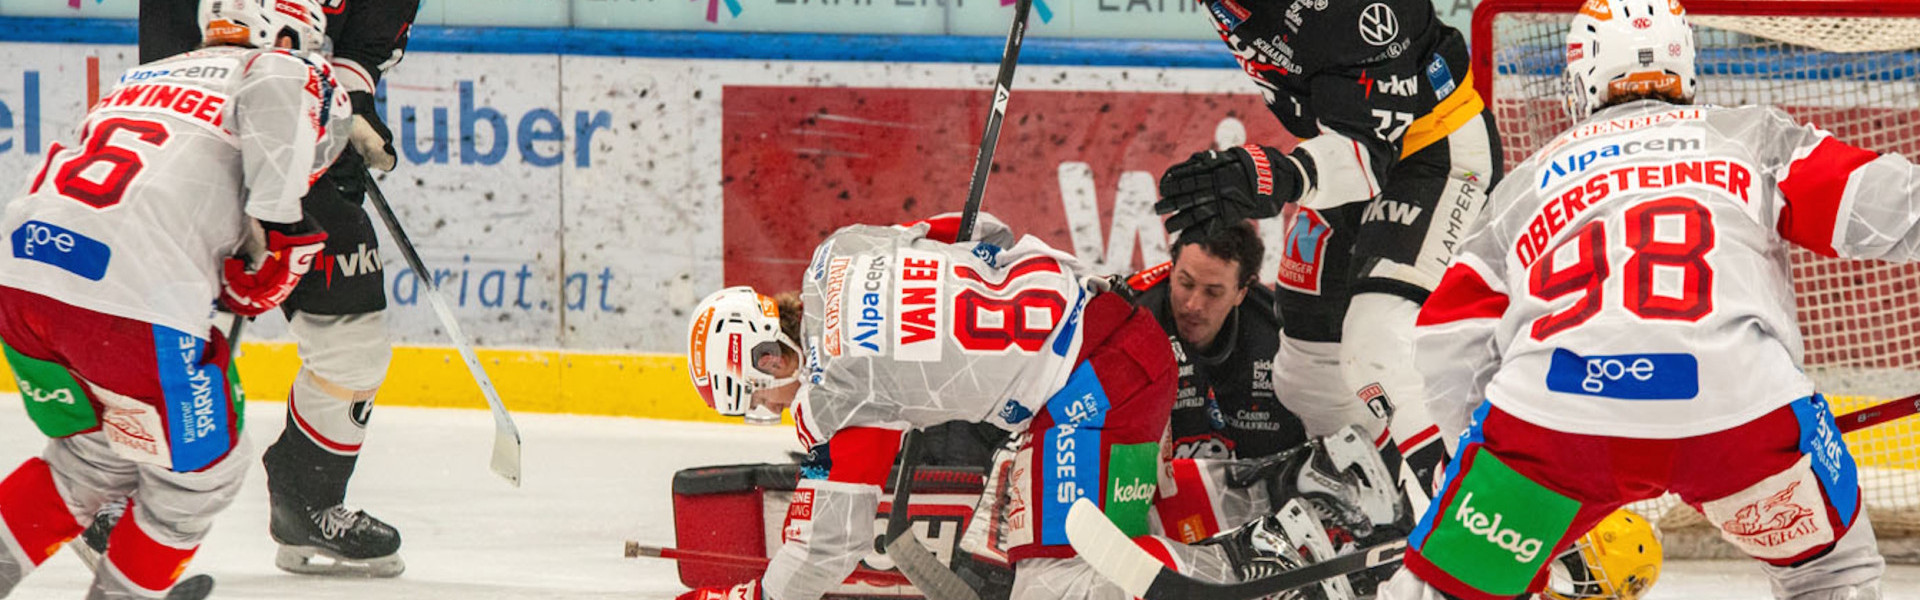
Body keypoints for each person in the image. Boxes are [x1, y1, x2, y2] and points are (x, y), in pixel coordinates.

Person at [1382, 1, 1891, 598]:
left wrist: (1480, 466)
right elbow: (1889, 205)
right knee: (1830, 576)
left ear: (1581, 78)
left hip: (1553, 422)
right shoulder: (1751, 138)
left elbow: (1449, 333)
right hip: (1742, 410)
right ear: (1688, 71)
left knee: (1445, 592)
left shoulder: (1527, 183)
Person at [0, 0, 346, 596]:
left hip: (24, 280)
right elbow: (278, 84)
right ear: (287, 31)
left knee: (90, 461)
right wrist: (281, 228)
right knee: (200, 478)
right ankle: (128, 591)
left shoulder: (147, 75)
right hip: (124, 307)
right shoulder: (281, 67)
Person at [1159, 0, 1504, 507]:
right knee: (1305, 371)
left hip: (1435, 155)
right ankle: (1365, 510)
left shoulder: (1367, 10)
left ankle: (1472, 508)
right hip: (1340, 151)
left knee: (1378, 341)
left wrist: (1276, 176)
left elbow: (1367, 155)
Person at [126, 0, 418, 578]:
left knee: (354, 343)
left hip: (302, 137)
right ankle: (114, 496)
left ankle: (308, 502)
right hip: (194, 132)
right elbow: (166, 35)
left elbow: (363, 49)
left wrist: (351, 112)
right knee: (156, 334)